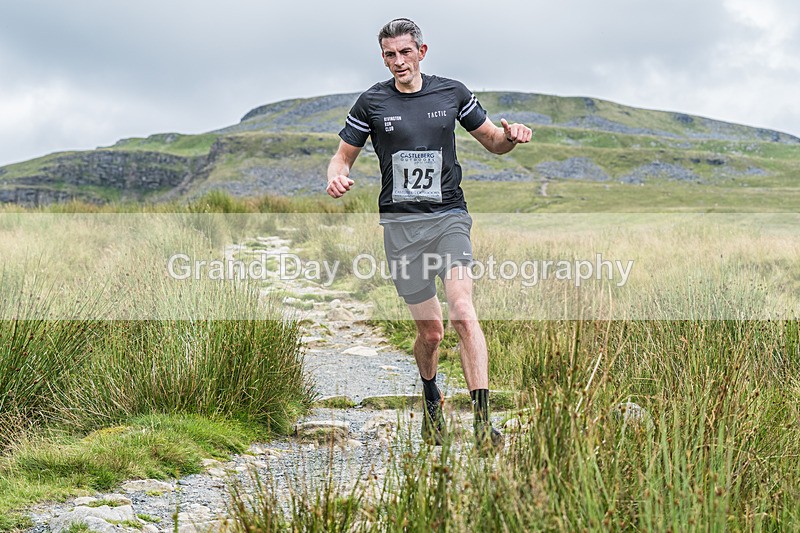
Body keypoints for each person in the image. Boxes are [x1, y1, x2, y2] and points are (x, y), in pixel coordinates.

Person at [326, 18, 532, 451]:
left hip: (448, 217)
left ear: (422, 51)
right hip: (401, 229)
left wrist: (512, 137)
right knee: (432, 332)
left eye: (405, 52)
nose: (398, 62)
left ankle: (482, 422)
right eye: (389, 55)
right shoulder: (372, 103)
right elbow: (342, 157)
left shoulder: (451, 93)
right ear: (382, 57)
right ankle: (431, 396)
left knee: (462, 311)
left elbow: (493, 141)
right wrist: (337, 177)